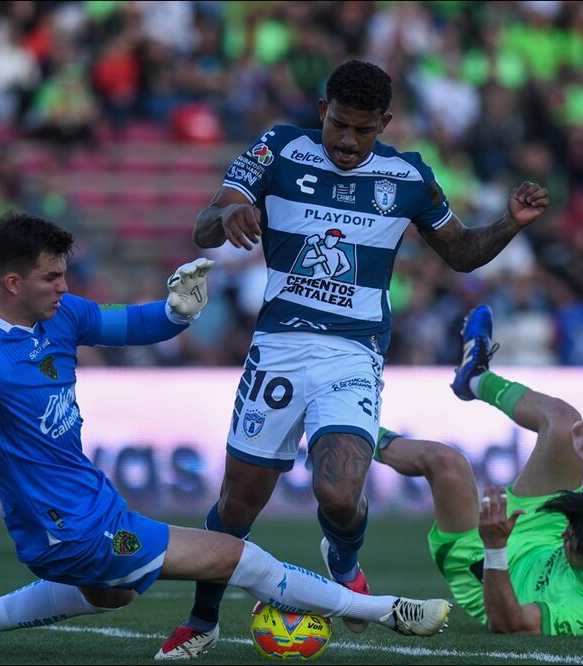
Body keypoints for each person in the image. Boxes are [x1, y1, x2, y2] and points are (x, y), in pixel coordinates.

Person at [0, 211, 452, 653]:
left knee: (110, 598)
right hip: (71, 529)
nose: (64, 287)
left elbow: (131, 325)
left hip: (89, 506)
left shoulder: (62, 316)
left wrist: (179, 311)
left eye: (64, 274)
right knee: (235, 555)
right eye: (51, 277)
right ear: (12, 283)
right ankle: (386, 611)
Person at [157, 59, 549, 658]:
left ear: (384, 124)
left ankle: (341, 557)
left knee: (339, 494)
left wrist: (510, 224)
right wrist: (226, 213)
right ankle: (204, 621)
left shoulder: (409, 177)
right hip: (279, 350)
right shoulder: (280, 149)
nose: (346, 141)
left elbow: (463, 253)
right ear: (322, 112)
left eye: (362, 130)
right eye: (338, 125)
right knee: (239, 503)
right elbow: (206, 225)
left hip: (353, 352)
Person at [375, 304, 583, 636]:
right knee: (566, 422)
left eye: (572, 536)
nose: (566, 532)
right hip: (540, 531)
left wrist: (495, 545)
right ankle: (476, 378)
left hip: (491, 570)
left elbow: (509, 623)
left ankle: (344, 426)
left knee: (445, 462)